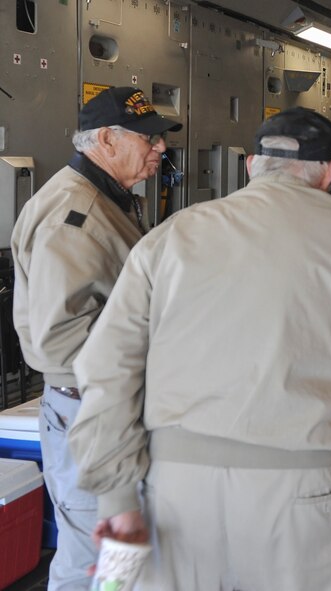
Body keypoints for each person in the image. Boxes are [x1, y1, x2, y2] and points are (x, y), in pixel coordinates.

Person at [67, 108, 331, 590]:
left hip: (176, 493)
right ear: (330, 171)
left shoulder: (172, 236)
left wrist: (119, 499)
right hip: (305, 490)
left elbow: (107, 370)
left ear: (251, 164)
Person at [11, 87, 180, 590]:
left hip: (108, 406)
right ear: (106, 139)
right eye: (149, 138)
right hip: (90, 412)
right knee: (94, 553)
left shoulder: (107, 196)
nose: (161, 149)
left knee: (120, 549)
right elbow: (59, 339)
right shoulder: (74, 216)